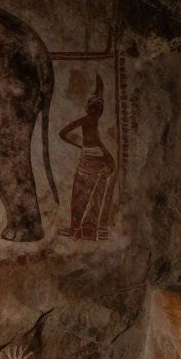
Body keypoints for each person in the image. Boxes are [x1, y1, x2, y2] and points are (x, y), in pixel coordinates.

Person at [58, 75, 116, 240]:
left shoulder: (86, 120)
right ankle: (88, 231)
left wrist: (79, 144)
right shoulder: (94, 122)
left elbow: (63, 133)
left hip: (90, 161)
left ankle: (76, 229)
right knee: (94, 197)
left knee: (80, 196)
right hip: (101, 159)